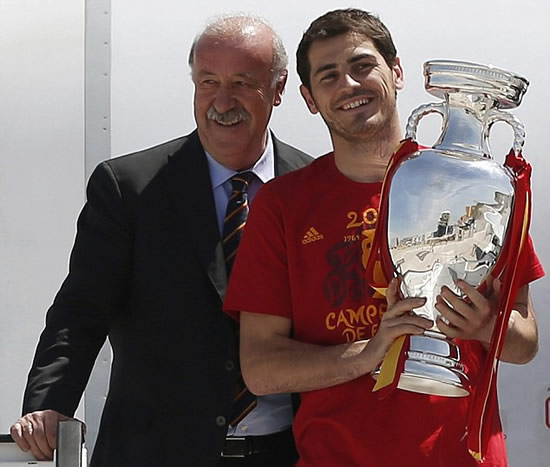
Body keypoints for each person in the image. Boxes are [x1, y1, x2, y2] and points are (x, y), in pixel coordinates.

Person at [224, 8, 544, 466]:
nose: (349, 85)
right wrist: (370, 351)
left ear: (396, 73)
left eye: (362, 66)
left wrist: (487, 326)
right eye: (329, 75)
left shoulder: (479, 187)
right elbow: (260, 369)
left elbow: (526, 341)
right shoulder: (283, 205)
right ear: (310, 98)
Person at [10, 14, 311, 467]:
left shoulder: (311, 189)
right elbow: (81, 309)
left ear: (278, 87)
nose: (222, 101)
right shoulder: (130, 188)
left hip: (288, 453)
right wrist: (49, 401)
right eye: (207, 81)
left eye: (242, 83)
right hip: (155, 452)